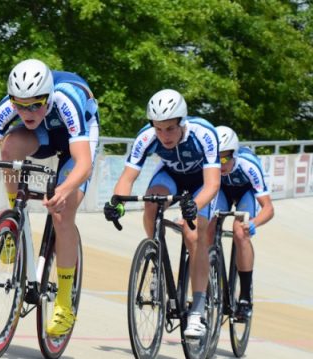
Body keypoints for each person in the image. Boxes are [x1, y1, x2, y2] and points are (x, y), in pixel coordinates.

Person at [0, 59, 100, 337]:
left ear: (49, 96)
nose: (26, 110)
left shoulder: (67, 102)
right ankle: (14, 223)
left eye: (35, 104)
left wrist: (64, 190)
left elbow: (83, 164)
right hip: (43, 133)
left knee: (62, 212)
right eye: (20, 105)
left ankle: (65, 303)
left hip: (77, 136)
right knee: (9, 148)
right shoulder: (10, 107)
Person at [103, 89, 220, 338]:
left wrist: (194, 206)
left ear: (182, 122)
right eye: (158, 129)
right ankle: (156, 256)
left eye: (169, 128)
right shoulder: (146, 137)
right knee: (151, 202)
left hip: (200, 183)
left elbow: (212, 185)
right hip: (171, 176)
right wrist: (118, 204)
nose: (163, 135)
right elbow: (127, 178)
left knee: (193, 234)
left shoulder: (204, 134)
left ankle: (197, 311)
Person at [210, 126, 274, 321]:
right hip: (221, 191)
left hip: (245, 191)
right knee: (208, 224)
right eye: (215, 158)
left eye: (224, 158)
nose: (220, 164)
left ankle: (245, 297)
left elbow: (269, 208)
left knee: (239, 232)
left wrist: (253, 223)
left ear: (234, 154)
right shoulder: (210, 165)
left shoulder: (248, 165)